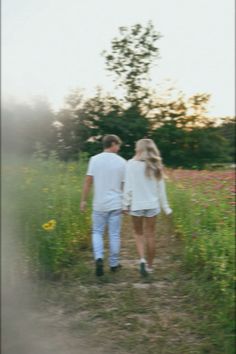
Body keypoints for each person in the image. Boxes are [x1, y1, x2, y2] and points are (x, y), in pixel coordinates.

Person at [123, 138, 172, 277]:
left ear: (138, 149)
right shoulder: (156, 165)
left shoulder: (130, 164)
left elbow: (128, 187)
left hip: (137, 205)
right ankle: (150, 267)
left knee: (138, 234)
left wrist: (125, 204)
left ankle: (142, 260)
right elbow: (161, 189)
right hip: (152, 205)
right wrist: (166, 207)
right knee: (151, 235)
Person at [80, 134, 126, 276]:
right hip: (116, 204)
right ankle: (113, 264)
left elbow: (88, 182)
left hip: (99, 204)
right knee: (114, 234)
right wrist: (125, 203)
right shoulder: (122, 162)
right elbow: (124, 185)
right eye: (118, 145)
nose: (119, 148)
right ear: (112, 144)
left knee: (97, 232)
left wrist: (83, 200)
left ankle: (99, 258)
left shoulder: (94, 160)